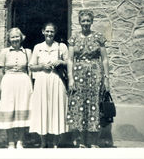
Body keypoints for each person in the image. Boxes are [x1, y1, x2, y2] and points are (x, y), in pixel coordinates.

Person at [67, 10, 110, 148]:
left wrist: (106, 78)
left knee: (94, 105)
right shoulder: (74, 38)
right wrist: (70, 78)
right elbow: (69, 59)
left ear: (92, 22)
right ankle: (80, 141)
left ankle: (93, 141)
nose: (85, 23)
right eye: (83, 21)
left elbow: (104, 59)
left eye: (88, 21)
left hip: (95, 74)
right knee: (78, 106)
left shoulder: (99, 37)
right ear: (79, 22)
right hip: (78, 75)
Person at [29, 22, 68, 148]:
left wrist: (61, 61)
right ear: (43, 32)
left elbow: (70, 63)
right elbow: (31, 67)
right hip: (42, 81)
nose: (49, 34)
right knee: (42, 110)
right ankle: (43, 142)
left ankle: (55, 142)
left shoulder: (61, 47)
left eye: (52, 31)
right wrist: (42, 66)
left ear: (55, 32)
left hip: (57, 80)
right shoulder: (37, 47)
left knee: (56, 109)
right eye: (47, 31)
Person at [0, 27, 32, 149]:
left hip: (23, 82)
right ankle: (11, 142)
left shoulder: (27, 52)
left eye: (17, 36)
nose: (15, 39)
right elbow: (0, 71)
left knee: (22, 109)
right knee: (9, 110)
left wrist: (31, 86)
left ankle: (20, 141)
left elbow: (30, 71)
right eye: (13, 37)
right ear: (9, 39)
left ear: (21, 38)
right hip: (8, 82)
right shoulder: (4, 52)